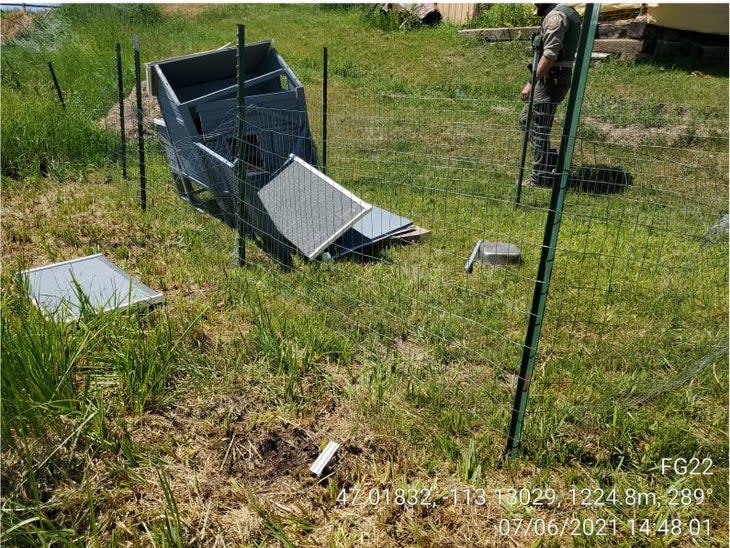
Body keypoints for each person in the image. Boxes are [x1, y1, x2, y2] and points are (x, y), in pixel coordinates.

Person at [519, 3, 581, 186]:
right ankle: (549, 160)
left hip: (552, 79)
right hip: (554, 78)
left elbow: (550, 55)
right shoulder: (564, 12)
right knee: (527, 120)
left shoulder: (555, 17)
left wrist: (531, 82)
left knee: (538, 127)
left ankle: (541, 176)